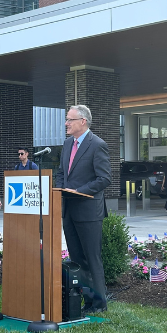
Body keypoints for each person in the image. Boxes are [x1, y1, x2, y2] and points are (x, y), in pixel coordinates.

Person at [54, 105, 112, 314]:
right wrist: (61, 188)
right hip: (69, 210)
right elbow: (62, 172)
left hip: (88, 212)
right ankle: (87, 300)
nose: (66, 123)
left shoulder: (97, 145)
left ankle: (99, 303)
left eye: (70, 120)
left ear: (83, 121)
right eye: (67, 120)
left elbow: (104, 178)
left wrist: (78, 190)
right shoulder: (68, 144)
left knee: (91, 258)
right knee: (77, 259)